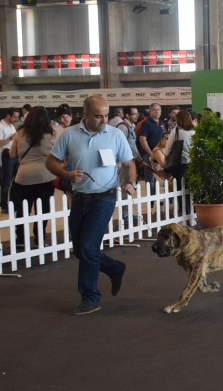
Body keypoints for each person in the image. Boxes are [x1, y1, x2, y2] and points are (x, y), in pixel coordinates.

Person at [45, 95, 136, 315]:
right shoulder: (69, 135)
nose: (104, 119)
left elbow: (128, 163)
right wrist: (66, 173)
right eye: (98, 116)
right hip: (79, 198)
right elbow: (50, 161)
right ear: (84, 114)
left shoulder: (115, 135)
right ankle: (115, 268)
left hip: (104, 198)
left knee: (87, 248)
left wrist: (131, 182)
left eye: (106, 115)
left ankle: (90, 298)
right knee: (80, 249)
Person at [9, 106, 62, 248]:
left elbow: (12, 155)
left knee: (22, 209)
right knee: (42, 210)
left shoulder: (19, 133)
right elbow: (59, 154)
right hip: (45, 176)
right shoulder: (51, 133)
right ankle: (40, 240)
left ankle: (20, 239)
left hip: (24, 177)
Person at [165, 110, 196, 216]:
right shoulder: (195, 131)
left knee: (180, 190)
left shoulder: (176, 131)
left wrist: (165, 159)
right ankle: (193, 213)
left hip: (180, 165)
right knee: (192, 190)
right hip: (193, 164)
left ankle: (183, 213)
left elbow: (168, 149)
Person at [0, 107, 20, 214]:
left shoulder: (12, 126)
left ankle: (13, 203)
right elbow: (0, 143)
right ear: (8, 116)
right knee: (6, 182)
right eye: (15, 116)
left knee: (16, 181)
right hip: (6, 154)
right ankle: (4, 205)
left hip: (15, 153)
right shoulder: (1, 126)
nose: (16, 119)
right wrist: (11, 138)